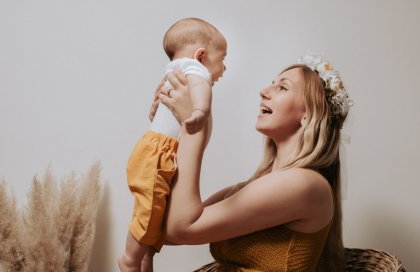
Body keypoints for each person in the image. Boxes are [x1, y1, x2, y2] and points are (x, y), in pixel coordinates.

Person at [154, 53, 352, 271]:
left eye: (282, 88)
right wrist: (175, 120)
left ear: (308, 115)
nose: (263, 92)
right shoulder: (251, 187)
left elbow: (180, 228)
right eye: (272, 84)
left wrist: (193, 129)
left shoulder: (306, 184)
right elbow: (162, 230)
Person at [119, 18, 227, 272]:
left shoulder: (173, 71)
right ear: (201, 56)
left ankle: (143, 259)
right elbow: (201, 89)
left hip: (154, 150)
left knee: (155, 216)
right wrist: (200, 110)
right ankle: (129, 259)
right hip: (159, 152)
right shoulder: (195, 71)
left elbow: (157, 105)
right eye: (223, 59)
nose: (225, 68)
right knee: (148, 214)